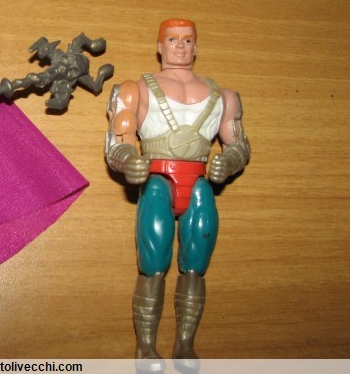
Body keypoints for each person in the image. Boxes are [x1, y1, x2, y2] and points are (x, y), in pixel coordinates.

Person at [104, 18, 250, 359]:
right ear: (160, 47)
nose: (180, 46)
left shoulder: (223, 97)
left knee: (196, 265)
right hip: (157, 180)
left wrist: (228, 162)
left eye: (187, 40)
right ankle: (146, 346)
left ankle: (185, 344)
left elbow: (239, 146)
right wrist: (129, 160)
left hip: (198, 182)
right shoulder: (136, 90)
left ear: (196, 47)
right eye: (172, 39)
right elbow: (117, 141)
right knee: (153, 263)